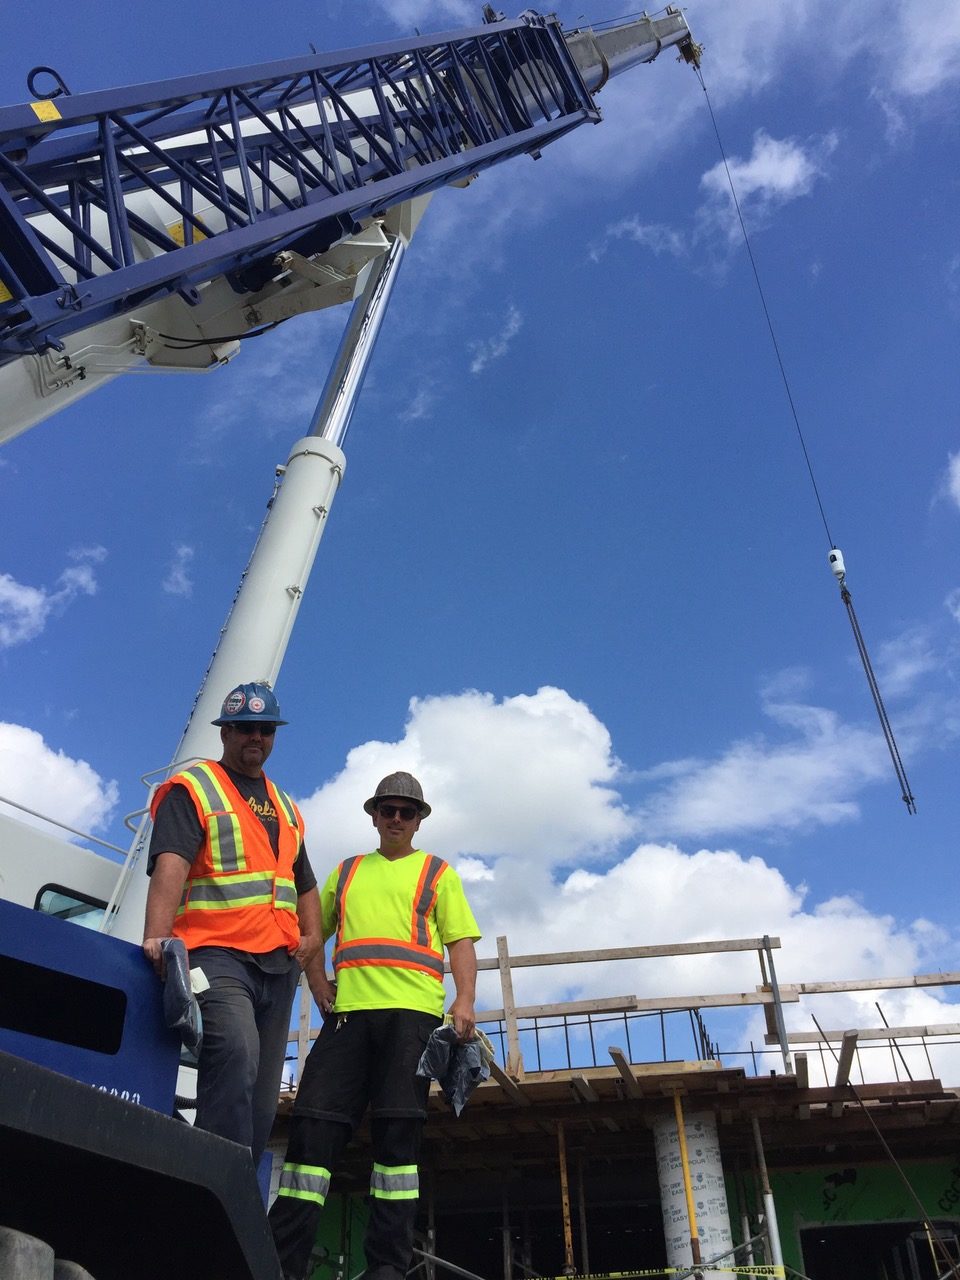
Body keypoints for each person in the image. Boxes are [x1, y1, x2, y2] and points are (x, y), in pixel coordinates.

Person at [269, 771, 481, 1280]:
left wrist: (466, 1000)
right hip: (349, 1019)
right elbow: (310, 933)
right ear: (374, 814)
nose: (396, 819)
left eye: (406, 812)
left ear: (418, 820)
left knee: (397, 1143)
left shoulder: (437, 873)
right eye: (387, 809)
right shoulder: (346, 872)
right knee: (313, 1130)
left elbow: (461, 944)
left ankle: (387, 1267)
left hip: (413, 1019)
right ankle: (279, 1264)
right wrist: (318, 983)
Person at [142, 681, 335, 1163]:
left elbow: (305, 884)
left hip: (278, 965)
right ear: (225, 732)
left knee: (263, 1098)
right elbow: (171, 865)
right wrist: (156, 938)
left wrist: (314, 946)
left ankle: (236, 1198)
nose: (257, 737)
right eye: (245, 728)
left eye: (265, 729)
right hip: (216, 955)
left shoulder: (287, 808)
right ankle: (212, 1183)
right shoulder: (194, 789)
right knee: (236, 1055)